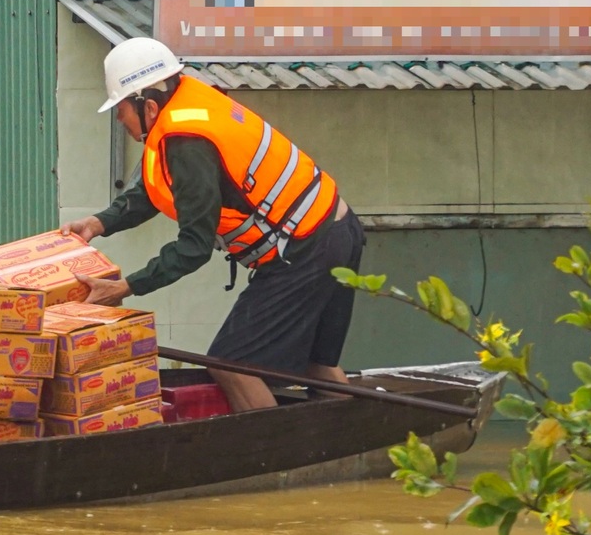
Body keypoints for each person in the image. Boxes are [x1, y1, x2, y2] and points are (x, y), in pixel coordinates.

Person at [59, 37, 367, 412]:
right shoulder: (191, 104)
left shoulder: (186, 142)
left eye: (119, 110)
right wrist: (98, 223)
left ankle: (273, 458)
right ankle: (350, 447)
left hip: (305, 248)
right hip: (336, 228)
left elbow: (194, 247)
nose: (119, 120)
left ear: (148, 106)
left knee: (232, 364)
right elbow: (159, 191)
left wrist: (125, 287)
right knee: (318, 365)